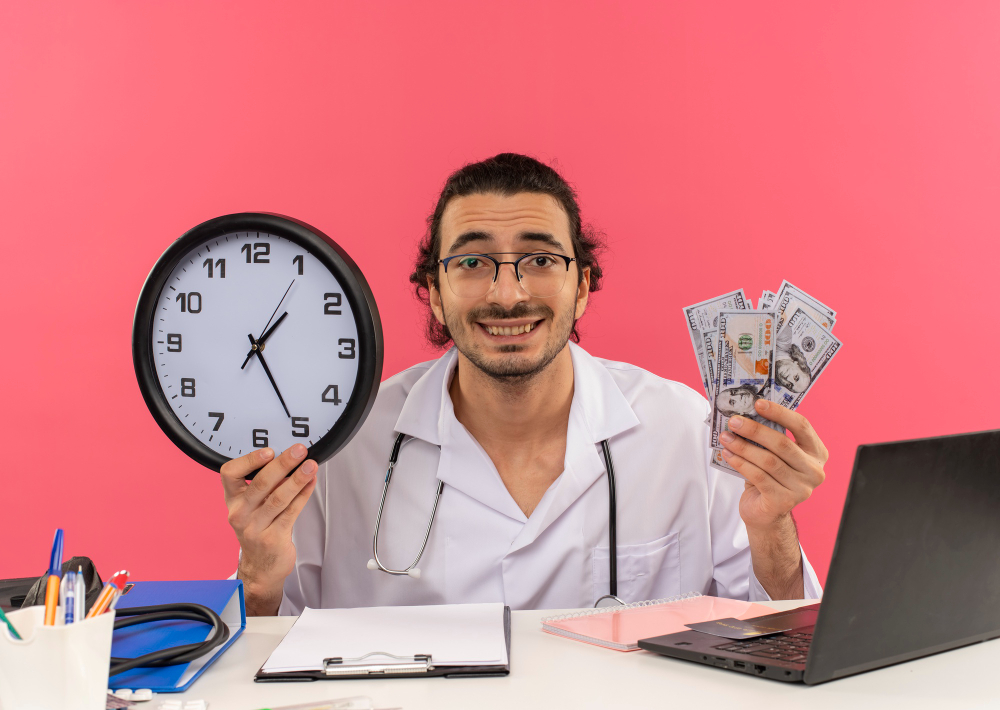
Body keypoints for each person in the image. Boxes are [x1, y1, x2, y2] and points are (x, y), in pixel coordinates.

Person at [220, 153, 828, 615]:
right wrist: (260, 576)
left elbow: (780, 627)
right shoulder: (344, 446)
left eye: (540, 260)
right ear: (431, 290)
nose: (507, 295)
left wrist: (772, 523)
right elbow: (264, 654)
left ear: (583, 285)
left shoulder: (684, 428)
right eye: (471, 262)